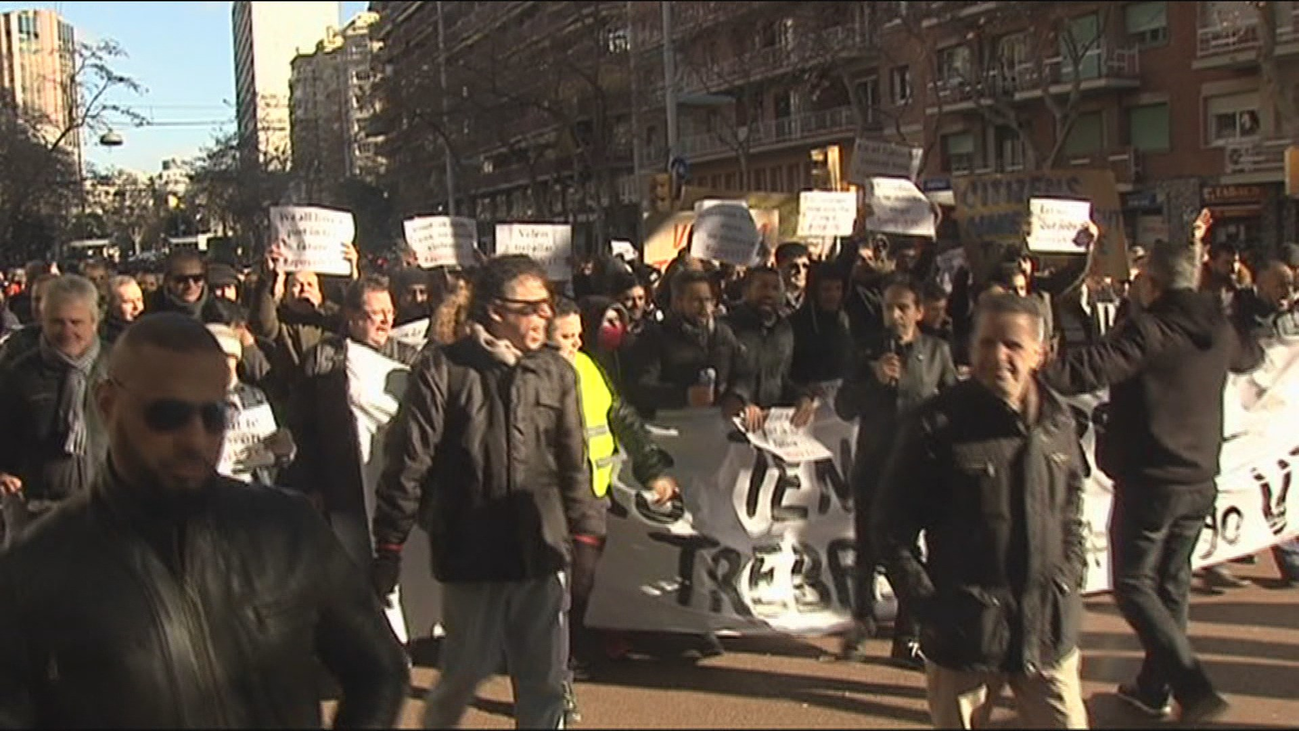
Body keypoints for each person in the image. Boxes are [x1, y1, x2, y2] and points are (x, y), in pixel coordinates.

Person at [0, 313, 408, 727]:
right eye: (167, 415)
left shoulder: (288, 531)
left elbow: (379, 668)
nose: (195, 438)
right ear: (108, 405)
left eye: (214, 416)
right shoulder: (34, 572)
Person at [1042, 219, 1261, 724]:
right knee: (1171, 586)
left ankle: (1192, 684)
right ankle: (1155, 687)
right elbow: (1249, 358)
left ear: (1152, 284)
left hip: (1151, 477)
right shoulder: (1218, 327)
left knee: (1135, 584)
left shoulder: (1152, 328)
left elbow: (1094, 367)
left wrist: (1041, 368)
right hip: (1200, 478)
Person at [370, 255, 603, 729]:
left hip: (540, 549)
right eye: (532, 307)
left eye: (548, 305)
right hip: (470, 554)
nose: (545, 317)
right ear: (495, 311)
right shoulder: (443, 369)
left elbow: (574, 464)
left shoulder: (558, 374)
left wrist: (587, 536)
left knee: (544, 682)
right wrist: (389, 546)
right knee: (460, 678)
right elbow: (409, 462)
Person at [874, 294, 1089, 729]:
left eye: (1012, 345)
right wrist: (930, 608)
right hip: (964, 640)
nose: (998, 357)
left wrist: (1070, 575)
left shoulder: (1058, 423)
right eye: (987, 343)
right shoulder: (935, 426)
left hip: (1047, 632)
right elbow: (890, 530)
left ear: (1040, 354)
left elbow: (1070, 510)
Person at [548, 298, 678, 713]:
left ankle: (562, 661)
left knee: (579, 588)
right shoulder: (527, 376)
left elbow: (622, 419)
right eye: (564, 337)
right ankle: (556, 679)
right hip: (543, 501)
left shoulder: (590, 368)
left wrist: (653, 469)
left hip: (590, 497)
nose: (575, 343)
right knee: (551, 594)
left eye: (577, 335)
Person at [836, 275, 958, 668]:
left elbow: (954, 403)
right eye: (889, 307)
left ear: (919, 312)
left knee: (908, 552)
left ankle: (908, 634)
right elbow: (844, 405)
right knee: (868, 552)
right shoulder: (867, 351)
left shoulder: (937, 352)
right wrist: (874, 378)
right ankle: (861, 624)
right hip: (875, 463)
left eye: (903, 307)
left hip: (918, 467)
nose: (895, 315)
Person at [292, 275, 420, 566]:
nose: (385, 321)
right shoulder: (322, 359)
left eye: (389, 312)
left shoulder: (409, 359)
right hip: (343, 490)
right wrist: (310, 484)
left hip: (391, 491)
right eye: (376, 314)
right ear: (351, 315)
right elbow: (303, 427)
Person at [0, 275, 109, 546]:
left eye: (76, 323)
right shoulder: (20, 375)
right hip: (40, 516)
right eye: (57, 322)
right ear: (43, 322)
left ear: (94, 323)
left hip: (109, 512)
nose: (67, 331)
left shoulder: (118, 368)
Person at [627, 269, 745, 419]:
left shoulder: (722, 334)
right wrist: (684, 395)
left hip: (718, 423)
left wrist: (737, 395)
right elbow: (641, 388)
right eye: (696, 301)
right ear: (677, 301)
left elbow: (743, 371)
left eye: (708, 300)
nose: (704, 308)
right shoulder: (655, 336)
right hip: (674, 426)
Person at [723, 266, 817, 432]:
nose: (768, 294)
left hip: (771, 426)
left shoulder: (784, 329)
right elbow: (719, 381)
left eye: (774, 288)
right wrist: (741, 401)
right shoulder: (726, 328)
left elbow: (782, 378)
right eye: (762, 287)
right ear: (746, 290)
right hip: (732, 425)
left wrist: (803, 397)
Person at [207, 323, 296, 486]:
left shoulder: (255, 397)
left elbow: (278, 452)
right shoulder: (195, 400)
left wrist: (282, 450)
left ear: (236, 359)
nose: (221, 364)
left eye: (227, 357)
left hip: (253, 490)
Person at [790, 261, 854, 387]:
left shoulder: (844, 319)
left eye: (838, 289)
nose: (833, 295)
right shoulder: (796, 323)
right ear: (815, 292)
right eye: (826, 289)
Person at [149, 250, 216, 319]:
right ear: (167, 280)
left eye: (197, 279)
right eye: (182, 280)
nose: (191, 286)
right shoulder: (150, 309)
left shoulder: (219, 310)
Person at [102, 275, 145, 345]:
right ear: (111, 303)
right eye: (128, 302)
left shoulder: (150, 329)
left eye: (139, 299)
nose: (137, 307)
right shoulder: (104, 336)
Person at [775, 242, 812, 314]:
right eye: (793, 266)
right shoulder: (771, 300)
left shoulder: (815, 301)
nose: (800, 271)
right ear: (779, 268)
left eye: (805, 266)